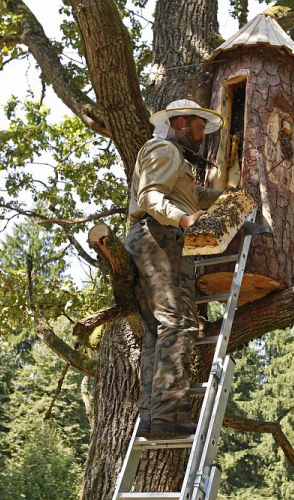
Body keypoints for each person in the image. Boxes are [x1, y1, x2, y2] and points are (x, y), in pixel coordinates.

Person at [124, 99, 224, 438]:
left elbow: (191, 195)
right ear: (181, 122)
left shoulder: (170, 156)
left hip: (149, 238)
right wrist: (183, 220)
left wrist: (228, 197)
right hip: (161, 237)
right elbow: (151, 196)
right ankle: (168, 415)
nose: (201, 136)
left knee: (157, 330)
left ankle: (152, 416)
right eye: (198, 128)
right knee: (179, 323)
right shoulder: (164, 150)